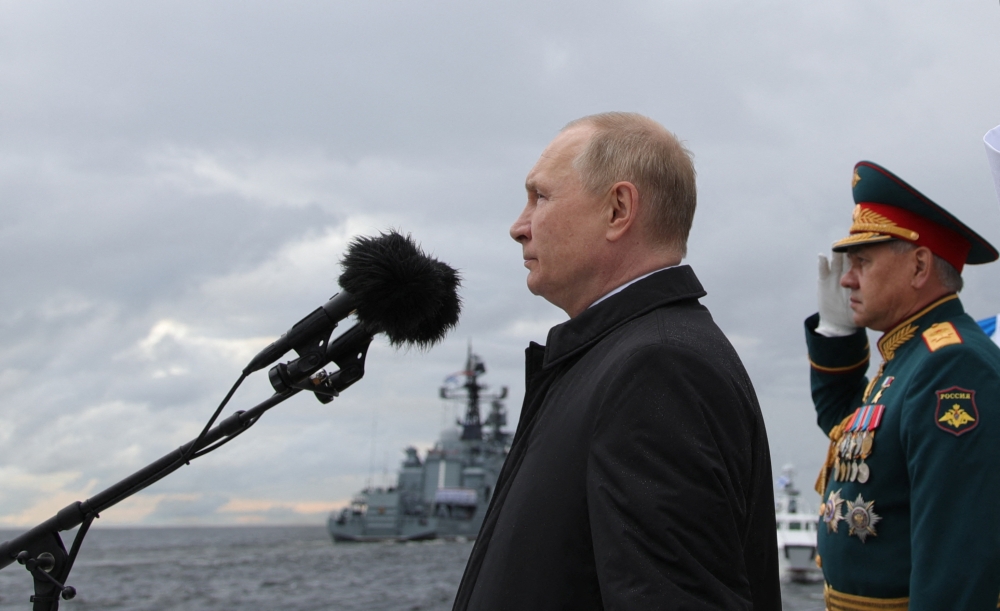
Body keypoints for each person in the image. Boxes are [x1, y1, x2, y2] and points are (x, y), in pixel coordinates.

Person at [452, 112, 780, 610]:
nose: (518, 227)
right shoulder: (617, 358)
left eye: (540, 197)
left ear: (618, 210)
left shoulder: (658, 369)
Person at [806, 161, 1000, 610]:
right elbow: (846, 428)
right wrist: (837, 332)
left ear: (918, 265)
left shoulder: (952, 366)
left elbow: (957, 569)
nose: (847, 278)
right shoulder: (910, 358)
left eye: (862, 262)